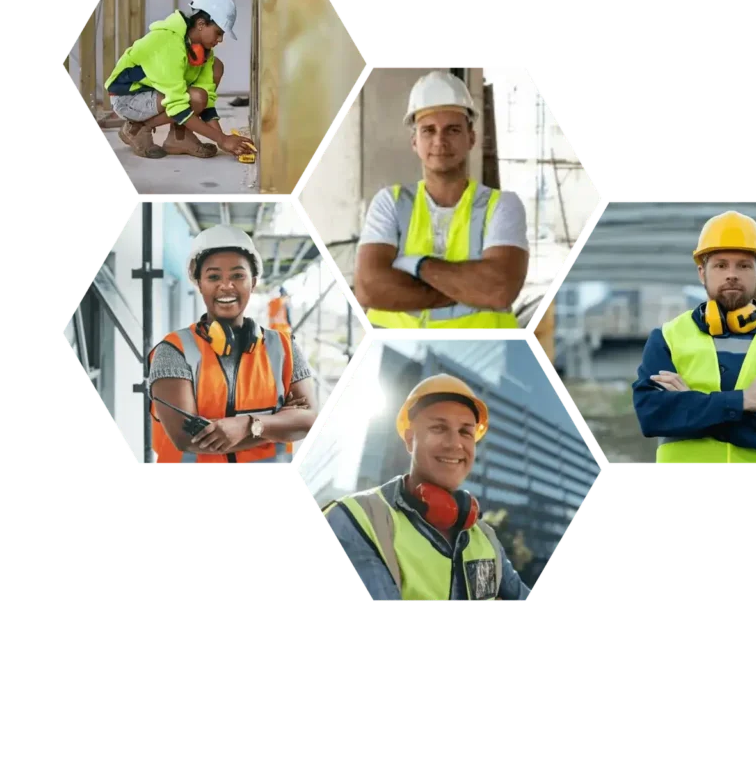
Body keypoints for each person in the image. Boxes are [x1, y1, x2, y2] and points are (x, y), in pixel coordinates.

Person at [321, 374, 532, 601]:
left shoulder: (486, 537)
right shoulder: (351, 519)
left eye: (465, 432)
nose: (454, 444)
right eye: (439, 428)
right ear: (410, 439)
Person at [632, 210, 756, 465]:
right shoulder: (667, 338)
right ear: (701, 273)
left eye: (743, 265)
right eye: (720, 265)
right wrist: (745, 401)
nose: (732, 274)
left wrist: (692, 409)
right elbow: (652, 415)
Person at [354, 71, 529, 330]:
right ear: (415, 141)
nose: (440, 141)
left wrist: (415, 265)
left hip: (481, 358)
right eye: (428, 130)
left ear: (471, 138)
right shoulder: (390, 202)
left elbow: (498, 291)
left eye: (453, 129)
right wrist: (468, 292)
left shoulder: (502, 206)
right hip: (398, 356)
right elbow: (369, 289)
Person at [147, 225, 316, 466]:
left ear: (253, 282)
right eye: (214, 277)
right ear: (199, 283)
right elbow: (187, 438)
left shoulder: (284, 347)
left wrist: (248, 425)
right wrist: (279, 423)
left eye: (238, 275)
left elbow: (309, 421)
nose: (226, 286)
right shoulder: (173, 351)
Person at [105, 0, 256, 161]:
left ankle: (179, 138)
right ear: (201, 24)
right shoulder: (169, 43)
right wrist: (221, 139)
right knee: (195, 97)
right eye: (219, 32)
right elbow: (178, 106)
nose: (220, 40)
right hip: (127, 97)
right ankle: (137, 129)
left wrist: (224, 140)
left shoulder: (204, 51)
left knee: (213, 72)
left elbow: (207, 102)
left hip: (154, 95)